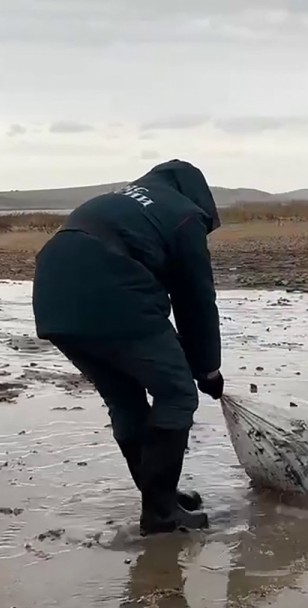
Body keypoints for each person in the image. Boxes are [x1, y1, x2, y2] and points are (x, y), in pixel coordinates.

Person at [32, 159, 225, 535]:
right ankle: (161, 514)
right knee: (177, 394)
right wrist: (208, 369)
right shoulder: (184, 216)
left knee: (125, 400)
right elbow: (195, 299)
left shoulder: (118, 201)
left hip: (52, 302)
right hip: (111, 290)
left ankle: (160, 501)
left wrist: (198, 361)